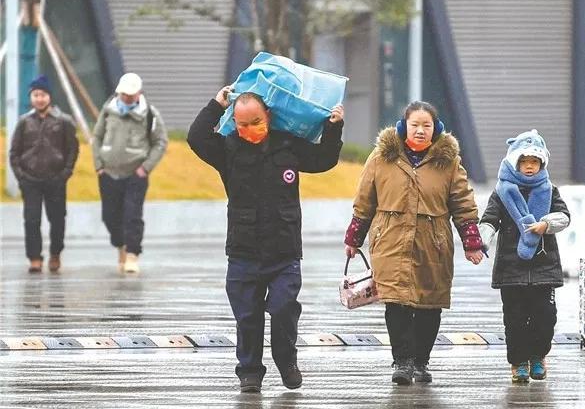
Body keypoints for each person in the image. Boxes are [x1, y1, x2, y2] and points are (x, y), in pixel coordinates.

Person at [187, 85, 344, 392]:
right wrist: (216, 105)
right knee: (247, 316)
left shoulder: (288, 146)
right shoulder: (228, 149)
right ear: (235, 121)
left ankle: (286, 361)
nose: (249, 130)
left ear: (268, 117)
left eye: (255, 122)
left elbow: (324, 159)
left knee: (284, 308)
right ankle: (249, 372)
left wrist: (333, 127)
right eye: (243, 124)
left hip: (284, 251)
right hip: (243, 251)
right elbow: (197, 138)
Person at [343, 101, 484, 385]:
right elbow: (364, 200)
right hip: (390, 240)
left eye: (426, 125)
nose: (420, 131)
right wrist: (354, 238)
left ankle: (421, 361)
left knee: (429, 305)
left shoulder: (448, 161)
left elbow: (463, 203)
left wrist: (472, 242)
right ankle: (402, 362)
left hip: (433, 243)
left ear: (436, 129)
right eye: (415, 125)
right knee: (395, 302)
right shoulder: (382, 156)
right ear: (404, 126)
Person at [478, 130, 570, 382]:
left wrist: (546, 224)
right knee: (515, 320)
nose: (529, 167)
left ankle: (538, 357)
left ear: (542, 164)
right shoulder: (502, 191)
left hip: (544, 266)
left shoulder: (550, 190)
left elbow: (564, 217)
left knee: (545, 318)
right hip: (511, 268)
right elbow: (488, 220)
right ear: (515, 162)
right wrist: (479, 242)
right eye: (524, 162)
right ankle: (518, 363)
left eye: (535, 162)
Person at [92, 72, 168, 274]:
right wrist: (98, 165)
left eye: (131, 94)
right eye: (124, 94)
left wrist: (146, 168)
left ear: (139, 93)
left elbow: (160, 142)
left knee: (132, 215)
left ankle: (133, 254)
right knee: (110, 216)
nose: (127, 98)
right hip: (108, 173)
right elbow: (97, 136)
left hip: (135, 174)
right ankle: (121, 247)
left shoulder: (150, 114)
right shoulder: (108, 110)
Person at [9, 75, 78, 273]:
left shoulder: (64, 121)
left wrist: (65, 173)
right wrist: (21, 176)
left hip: (56, 179)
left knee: (57, 219)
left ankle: (55, 253)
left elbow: (72, 149)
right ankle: (34, 258)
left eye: (43, 94)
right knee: (31, 220)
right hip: (30, 179)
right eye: (36, 95)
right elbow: (14, 152)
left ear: (49, 97)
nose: (39, 99)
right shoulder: (24, 122)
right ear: (31, 97)